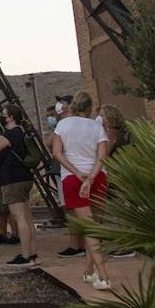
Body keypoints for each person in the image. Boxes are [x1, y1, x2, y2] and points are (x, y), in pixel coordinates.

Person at [52, 92, 111, 291]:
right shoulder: (97, 126)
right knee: (95, 226)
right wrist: (91, 178)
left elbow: (57, 153)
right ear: (90, 107)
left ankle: (103, 275)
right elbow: (102, 156)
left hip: (73, 179)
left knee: (89, 228)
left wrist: (78, 174)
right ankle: (88, 271)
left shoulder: (63, 125)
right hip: (98, 177)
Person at [0, 103, 39, 267]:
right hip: (25, 177)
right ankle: (32, 253)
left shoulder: (10, 134)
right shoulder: (23, 132)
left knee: (19, 217)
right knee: (27, 217)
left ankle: (25, 255)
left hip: (12, 179)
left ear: (10, 117)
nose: (2, 116)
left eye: (3, 114)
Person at [96, 103, 135, 259]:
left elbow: (107, 151)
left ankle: (124, 246)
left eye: (101, 114)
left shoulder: (111, 133)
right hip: (122, 172)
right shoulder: (124, 131)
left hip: (114, 174)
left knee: (116, 211)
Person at [52, 96, 84, 259]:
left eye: (62, 103)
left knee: (72, 210)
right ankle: (84, 244)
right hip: (80, 172)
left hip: (69, 173)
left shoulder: (63, 126)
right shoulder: (86, 124)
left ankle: (75, 245)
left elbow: (54, 148)